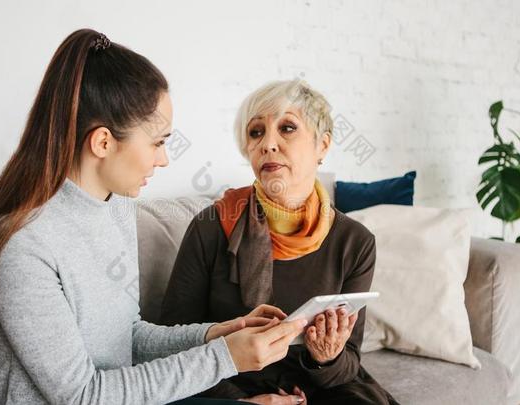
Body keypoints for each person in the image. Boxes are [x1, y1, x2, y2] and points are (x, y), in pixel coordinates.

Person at [0, 30, 307, 405]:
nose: (163, 159)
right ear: (103, 142)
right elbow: (83, 395)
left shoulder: (115, 207)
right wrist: (226, 358)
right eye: (158, 142)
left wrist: (217, 336)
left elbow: (128, 337)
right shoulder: (20, 245)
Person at [161, 80, 400, 404]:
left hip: (321, 386)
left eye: (287, 128)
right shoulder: (211, 227)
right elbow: (173, 347)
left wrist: (325, 356)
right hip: (230, 386)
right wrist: (246, 401)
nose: (267, 144)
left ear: (323, 145)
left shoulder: (354, 242)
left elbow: (348, 363)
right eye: (256, 132)